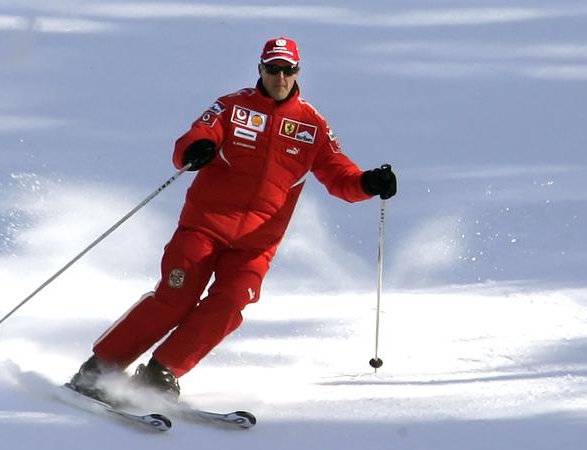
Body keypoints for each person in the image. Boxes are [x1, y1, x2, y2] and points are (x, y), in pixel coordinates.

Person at [68, 37, 397, 402]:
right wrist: (196, 148)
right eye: (273, 69)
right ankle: (100, 368)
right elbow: (195, 136)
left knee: (230, 303)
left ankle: (161, 373)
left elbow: (341, 177)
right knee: (174, 298)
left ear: (298, 72)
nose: (280, 77)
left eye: (288, 70)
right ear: (260, 69)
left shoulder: (311, 126)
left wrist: (368, 183)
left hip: (256, 244)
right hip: (204, 226)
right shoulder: (232, 107)